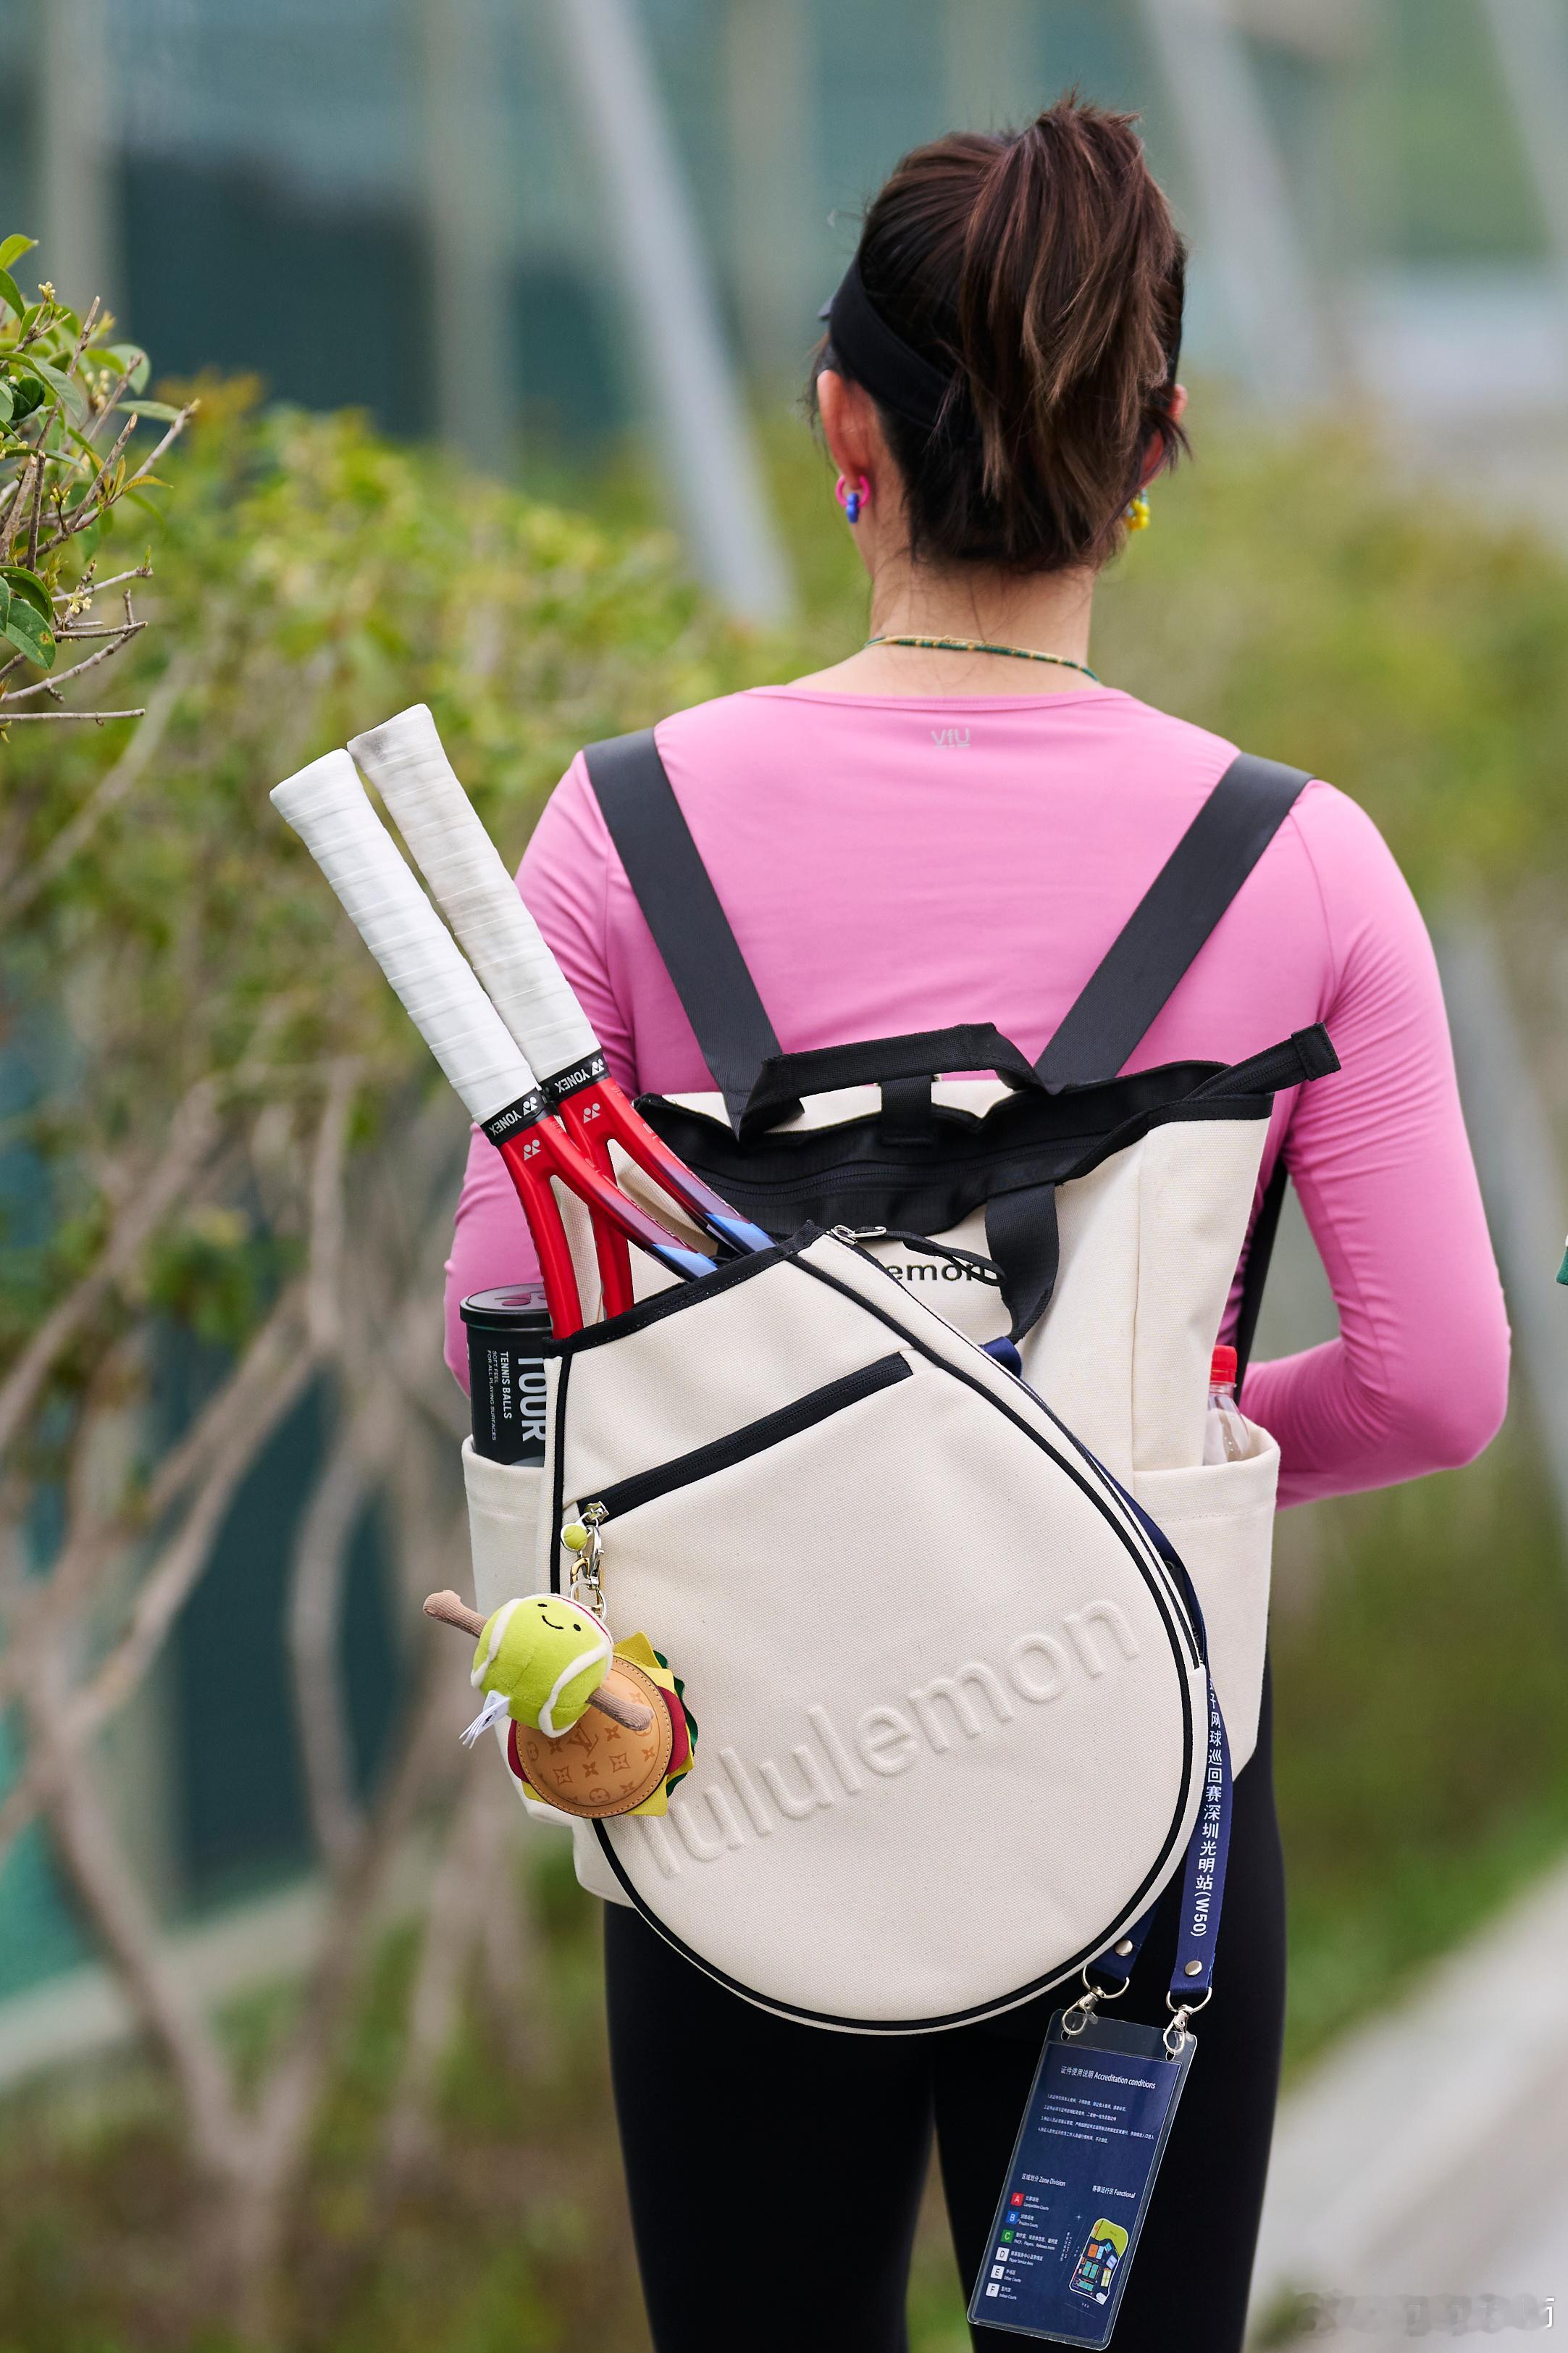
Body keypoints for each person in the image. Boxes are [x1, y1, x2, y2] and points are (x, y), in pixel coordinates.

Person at [445, 97, 1509, 2353]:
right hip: (1143, 1821)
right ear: (1159, 446)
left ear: (843, 424)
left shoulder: (624, 837)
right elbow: (1439, 1385)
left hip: (736, 1778)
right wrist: (1095, 1491)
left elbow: (510, 1334)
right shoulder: (1304, 866)